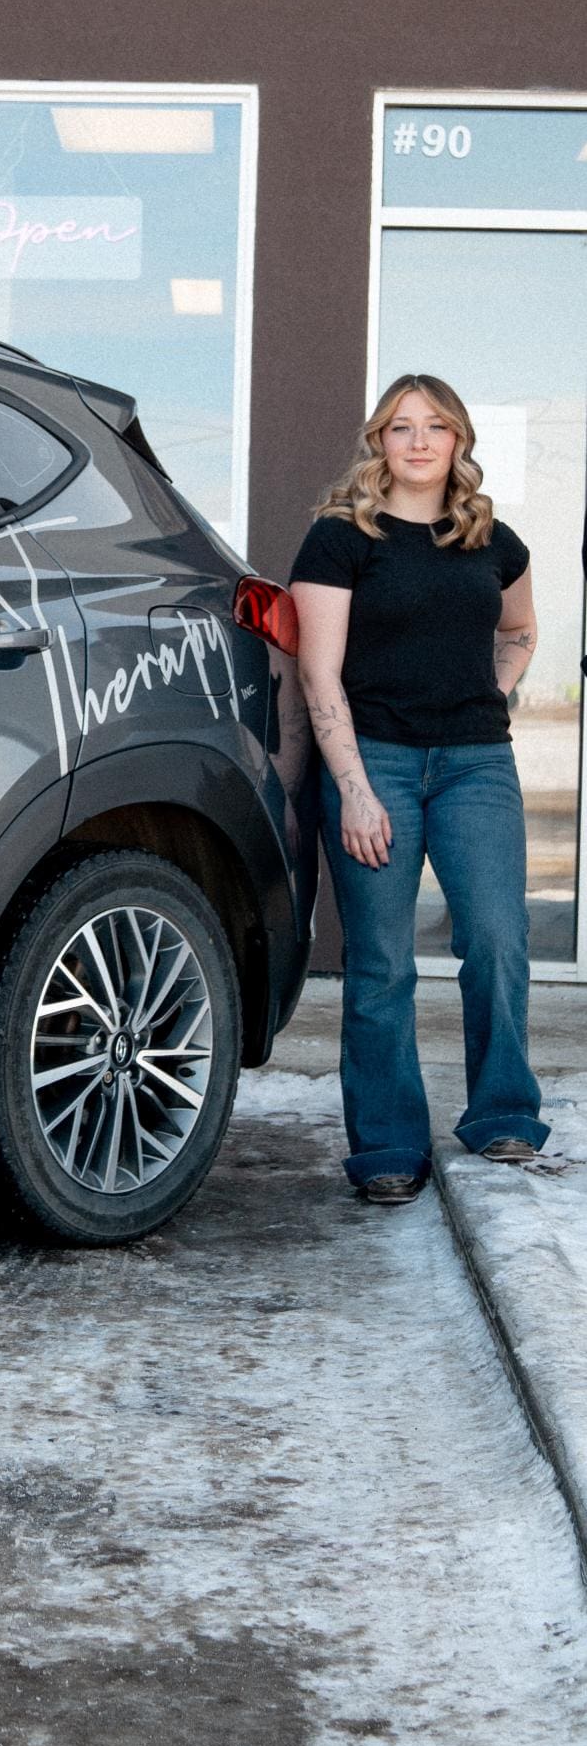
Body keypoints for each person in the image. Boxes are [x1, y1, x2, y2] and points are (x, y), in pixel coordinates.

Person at [291, 372, 549, 1205]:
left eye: (434, 426)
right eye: (400, 426)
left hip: (476, 762)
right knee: (379, 964)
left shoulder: (492, 540)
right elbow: (317, 672)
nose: (417, 440)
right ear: (379, 440)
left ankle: (503, 1108)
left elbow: (518, 629)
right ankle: (389, 1144)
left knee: (498, 938)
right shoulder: (339, 539)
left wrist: (494, 690)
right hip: (378, 763)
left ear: (458, 441)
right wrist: (354, 789)